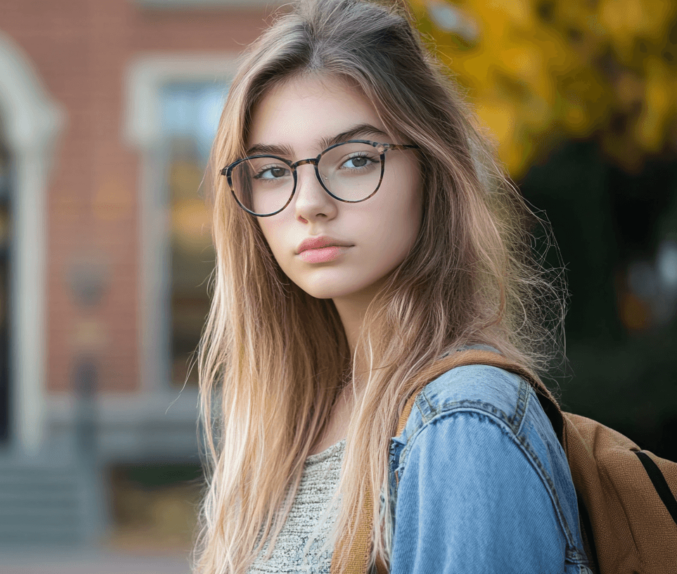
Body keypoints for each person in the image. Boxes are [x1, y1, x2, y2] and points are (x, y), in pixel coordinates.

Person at [193, 0, 592, 572]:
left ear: (431, 168)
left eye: (355, 160)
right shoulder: (282, 428)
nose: (309, 205)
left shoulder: (464, 428)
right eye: (273, 171)